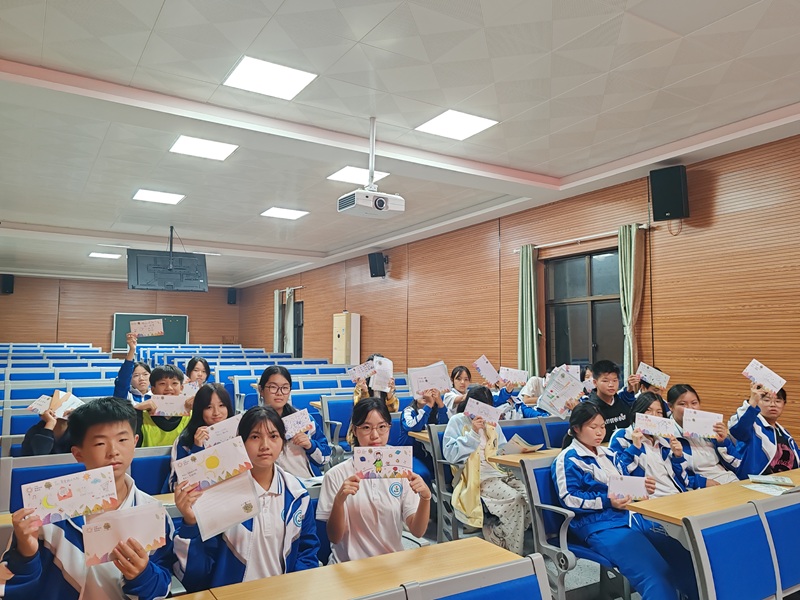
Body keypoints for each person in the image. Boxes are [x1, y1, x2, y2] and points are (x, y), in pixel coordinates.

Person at [3, 397, 174, 599]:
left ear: (135, 442)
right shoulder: (47, 515)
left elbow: (163, 587)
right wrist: (25, 553)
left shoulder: (153, 513)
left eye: (122, 440)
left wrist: (143, 575)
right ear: (78, 454)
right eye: (100, 443)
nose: (113, 452)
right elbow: (12, 586)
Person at [552, 402, 698, 600]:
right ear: (576, 429)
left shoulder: (608, 454)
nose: (599, 432)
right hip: (600, 525)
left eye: (602, 427)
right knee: (655, 575)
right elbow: (569, 498)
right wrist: (607, 501)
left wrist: (641, 487)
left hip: (630, 517)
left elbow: (624, 481)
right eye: (593, 427)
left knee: (684, 559)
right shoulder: (568, 459)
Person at [173, 406, 319, 591]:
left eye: (273, 436)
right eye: (255, 437)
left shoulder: (297, 494)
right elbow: (197, 574)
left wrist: (294, 589)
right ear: (240, 442)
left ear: (283, 441)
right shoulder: (219, 495)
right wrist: (190, 523)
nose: (265, 445)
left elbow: (307, 551)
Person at [317, 397, 431, 563]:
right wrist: (339, 501)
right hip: (349, 565)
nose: (375, 435)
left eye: (382, 427)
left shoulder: (400, 471)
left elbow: (417, 531)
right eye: (366, 427)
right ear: (354, 430)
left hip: (391, 563)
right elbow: (334, 537)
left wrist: (426, 498)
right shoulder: (335, 475)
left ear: (389, 428)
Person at [443, 386, 530, 555]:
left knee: (530, 496)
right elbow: (450, 454)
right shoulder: (458, 421)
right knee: (516, 500)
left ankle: (497, 534)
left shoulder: (492, 423)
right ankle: (513, 553)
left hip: (500, 471)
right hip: (477, 476)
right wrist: (473, 433)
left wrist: (516, 450)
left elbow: (502, 448)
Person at [609, 392, 689, 496]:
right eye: (648, 410)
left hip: (675, 494)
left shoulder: (665, 441)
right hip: (648, 499)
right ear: (638, 411)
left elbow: (684, 481)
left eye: (659, 412)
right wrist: (635, 448)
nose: (654, 416)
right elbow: (618, 477)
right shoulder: (623, 436)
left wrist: (678, 457)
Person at [258, 366, 331, 479]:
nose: (279, 393)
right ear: (261, 390)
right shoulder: (253, 423)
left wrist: (310, 445)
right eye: (273, 387)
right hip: (272, 483)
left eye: (285, 388)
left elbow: (325, 459)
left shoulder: (304, 420)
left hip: (306, 482)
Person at [163, 383, 234, 492]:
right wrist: (197, 448)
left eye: (221, 405)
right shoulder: (185, 440)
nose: (216, 412)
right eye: (209, 407)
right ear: (200, 410)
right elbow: (175, 485)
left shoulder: (239, 434)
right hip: (199, 497)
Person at [667, 383, 740, 486]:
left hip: (728, 479)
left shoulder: (709, 427)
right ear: (670, 407)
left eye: (694, 403)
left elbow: (737, 464)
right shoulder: (667, 434)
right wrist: (702, 483)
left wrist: (723, 442)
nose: (690, 408)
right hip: (699, 487)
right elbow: (672, 474)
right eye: (683, 404)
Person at [728, 383, 799, 477]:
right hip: (757, 481)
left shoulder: (784, 433)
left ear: (784, 404)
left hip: (788, 480)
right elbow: (737, 429)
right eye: (766, 400)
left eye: (778, 401)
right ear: (758, 402)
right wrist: (752, 402)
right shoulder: (751, 425)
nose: (773, 405)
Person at [134, 364, 191, 448]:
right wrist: (135, 410)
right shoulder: (141, 415)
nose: (169, 388)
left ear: (181, 388)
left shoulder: (191, 414)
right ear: (153, 389)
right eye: (162, 383)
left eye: (174, 383)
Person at [586, 360, 631, 441]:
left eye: (615, 380)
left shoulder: (622, 402)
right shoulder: (589, 407)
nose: (611, 385)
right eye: (605, 381)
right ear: (595, 382)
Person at [113, 333, 152, 404]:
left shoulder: (157, 395)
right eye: (136, 375)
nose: (141, 378)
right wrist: (132, 349)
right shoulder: (125, 395)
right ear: (130, 380)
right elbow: (124, 377)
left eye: (145, 374)